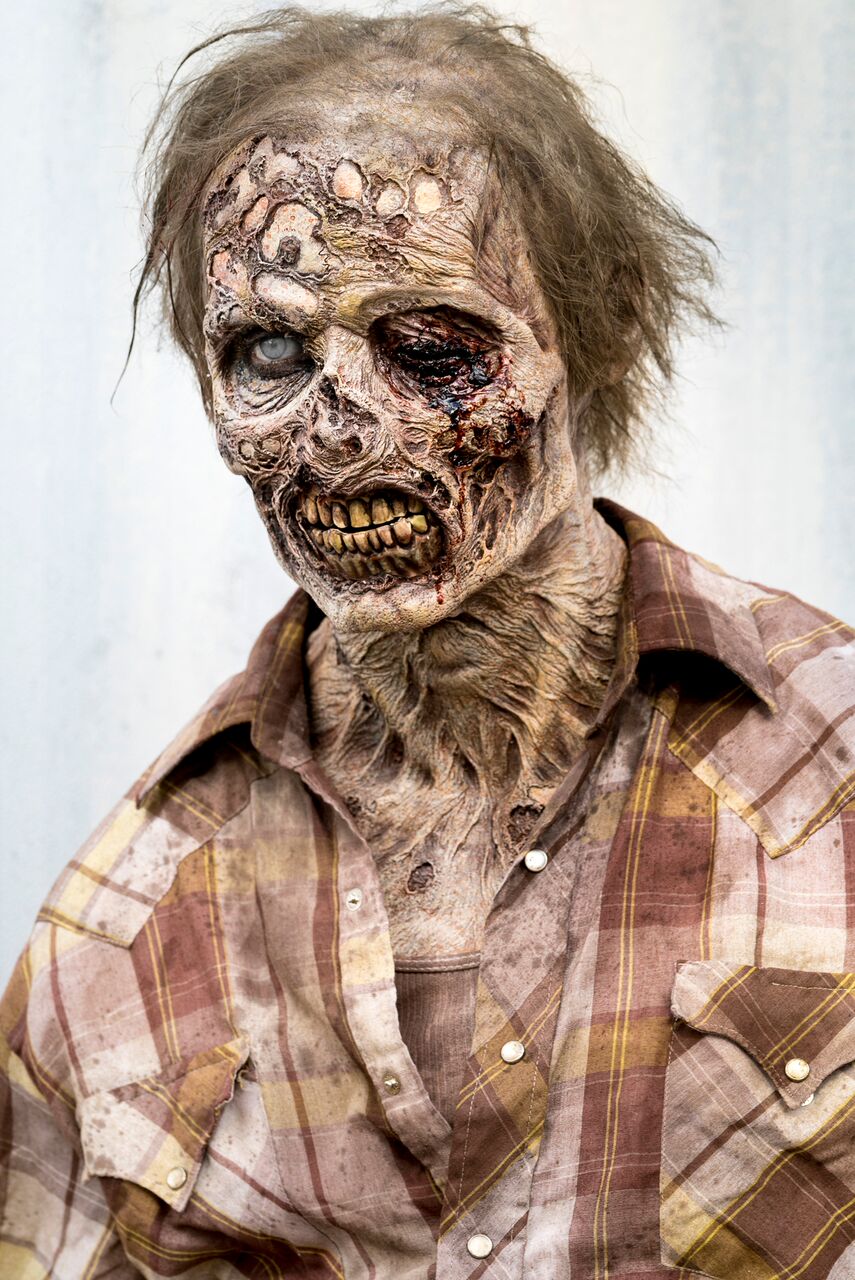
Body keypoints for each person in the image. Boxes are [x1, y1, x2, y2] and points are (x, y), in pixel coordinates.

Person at [2, 6, 854, 1278]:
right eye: (271, 350)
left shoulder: (829, 768)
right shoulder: (126, 921)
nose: (339, 430)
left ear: (595, 328)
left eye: (432, 346)